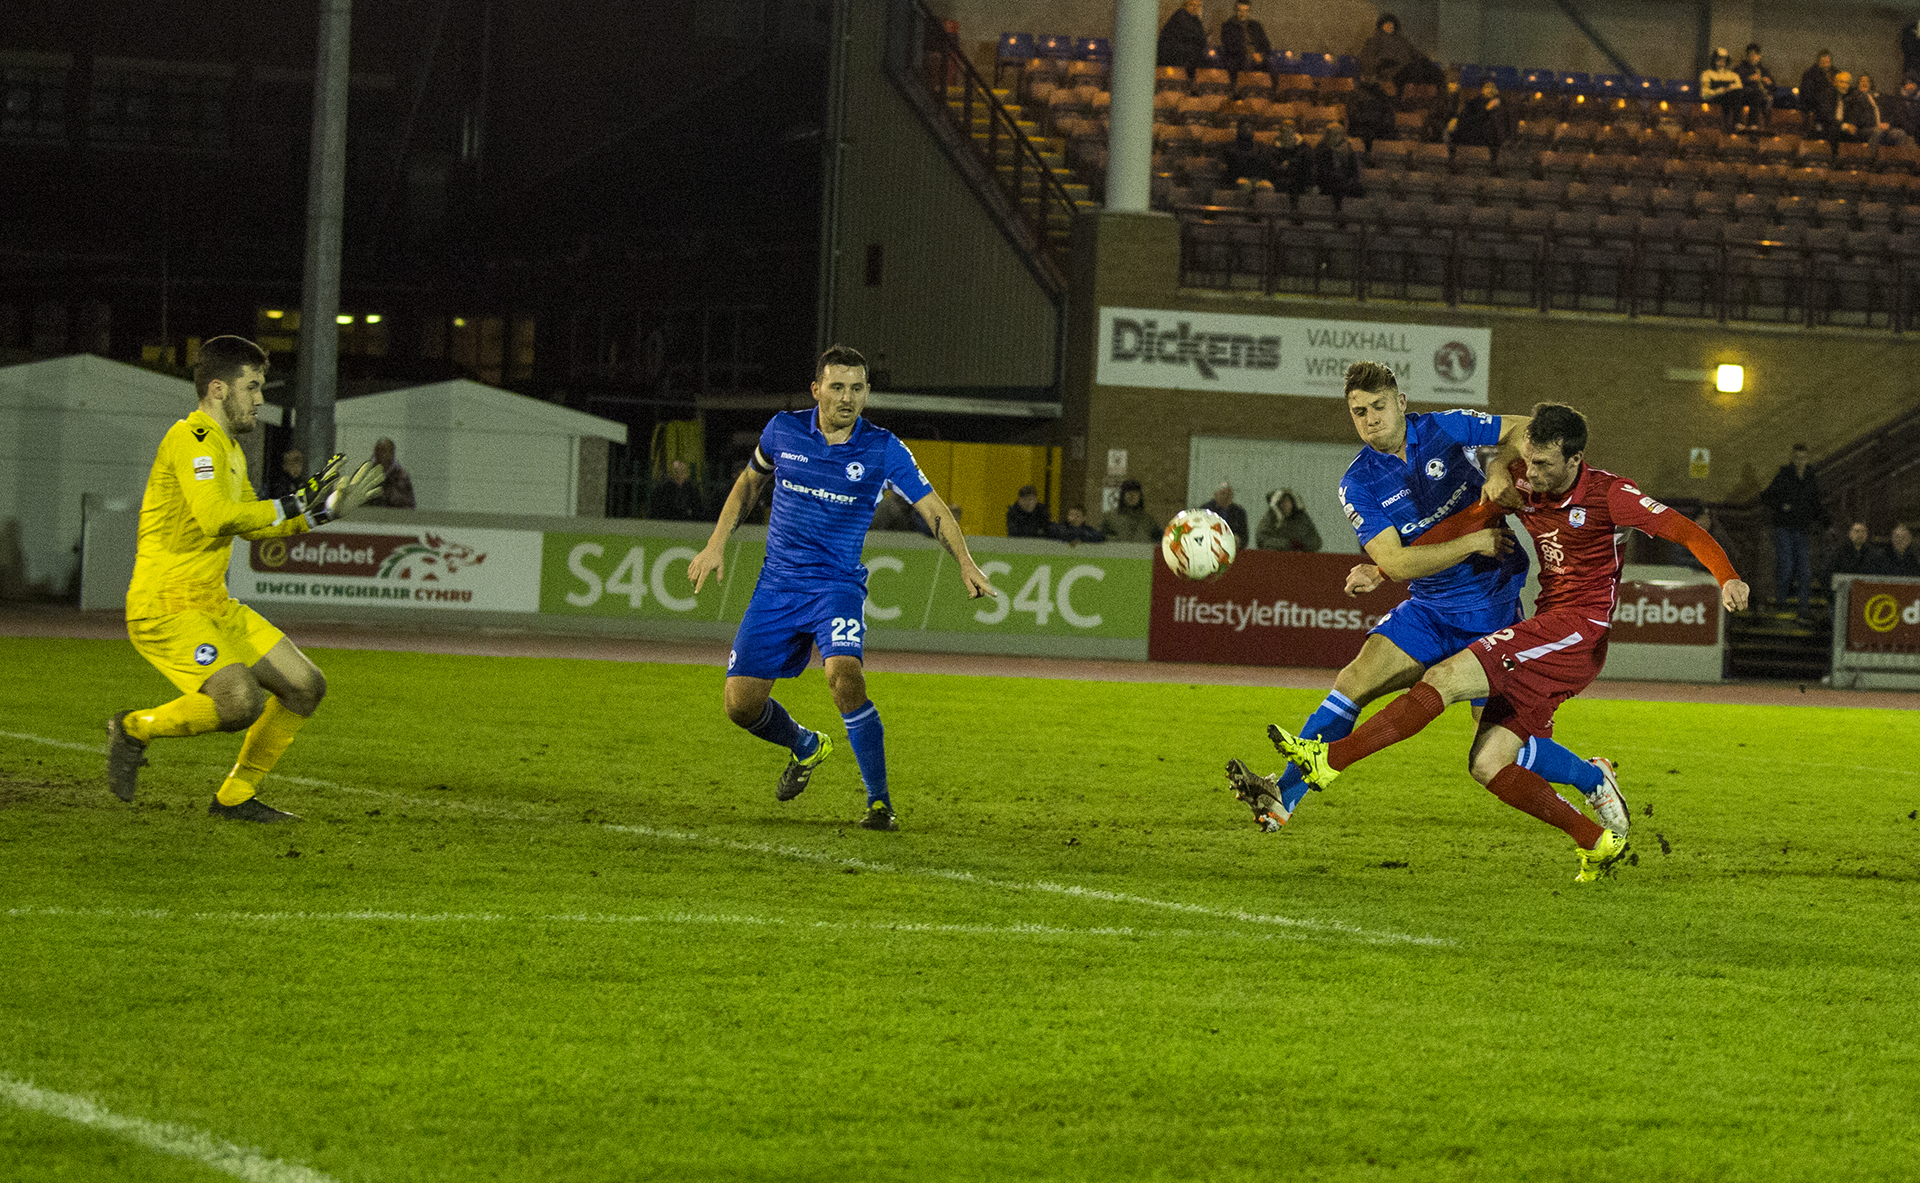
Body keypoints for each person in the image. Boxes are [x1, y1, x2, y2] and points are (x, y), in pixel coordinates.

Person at [1272, 402, 1750, 883]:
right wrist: (1381, 567)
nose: (1532, 474)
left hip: (1578, 630)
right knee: (1489, 762)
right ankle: (1597, 840)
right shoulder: (1522, 478)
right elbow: (1468, 521)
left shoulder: (1611, 495)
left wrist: (1726, 577)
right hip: (1547, 626)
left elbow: (1682, 529)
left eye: (1544, 465)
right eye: (1529, 461)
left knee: (1445, 677)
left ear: (1575, 460)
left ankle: (1329, 760)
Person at [1223, 363, 1620, 838]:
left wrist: (1495, 467)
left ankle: (1594, 778)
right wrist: (1468, 544)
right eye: (1358, 412)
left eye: (1378, 407)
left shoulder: (1444, 428)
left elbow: (1524, 429)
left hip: (1491, 610)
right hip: (1429, 609)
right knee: (1353, 680)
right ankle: (1284, 795)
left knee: (1498, 747)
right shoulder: (1359, 482)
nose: (1370, 419)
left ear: (1402, 403)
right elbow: (1399, 562)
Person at [686, 345, 995, 832]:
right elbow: (748, 485)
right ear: (817, 391)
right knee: (740, 706)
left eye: (856, 388)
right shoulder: (782, 430)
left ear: (867, 393)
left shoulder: (883, 447)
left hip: (836, 585)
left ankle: (879, 804)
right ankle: (806, 745)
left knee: (844, 675)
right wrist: (715, 544)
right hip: (778, 587)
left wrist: (966, 563)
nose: (847, 397)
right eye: (837, 387)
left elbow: (931, 506)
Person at [104, 336, 385, 822]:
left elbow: (253, 525)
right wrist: (296, 502)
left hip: (211, 602)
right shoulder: (189, 439)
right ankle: (133, 727)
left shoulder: (229, 449)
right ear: (217, 389)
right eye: (252, 387)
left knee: (305, 685)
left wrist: (323, 513)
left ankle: (234, 797)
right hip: (165, 606)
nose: (260, 399)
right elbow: (215, 518)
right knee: (239, 703)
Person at [1761, 442, 1826, 614]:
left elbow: (1816, 501)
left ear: (1807, 459)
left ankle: (1803, 607)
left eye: (1803, 458)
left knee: (1805, 570)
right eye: (1797, 458)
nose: (1799, 461)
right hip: (1785, 527)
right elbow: (1768, 496)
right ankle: (1782, 603)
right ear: (1793, 458)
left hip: (1802, 528)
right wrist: (1782, 506)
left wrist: (1823, 521)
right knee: (1787, 567)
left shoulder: (1811, 477)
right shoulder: (1784, 475)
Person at [1220, 0, 1275, 92]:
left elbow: (1266, 44)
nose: (1243, 14)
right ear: (1235, 10)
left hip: (1256, 56)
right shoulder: (1228, 26)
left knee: (1272, 64)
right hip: (1237, 57)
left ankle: (1273, 94)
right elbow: (1228, 46)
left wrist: (1261, 55)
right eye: (1240, 11)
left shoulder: (1255, 25)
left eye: (1245, 11)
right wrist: (1248, 53)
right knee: (1239, 65)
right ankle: (1240, 94)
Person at [1447, 77, 1506, 160]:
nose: (1490, 90)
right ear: (1481, 90)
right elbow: (1471, 119)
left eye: (1492, 87)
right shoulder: (1473, 103)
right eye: (1487, 87)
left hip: (1484, 137)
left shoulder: (1499, 104)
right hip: (1472, 135)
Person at [1310, 120, 1365, 205]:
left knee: (1359, 189)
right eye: (1334, 134)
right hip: (1327, 182)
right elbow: (1321, 170)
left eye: (1339, 134)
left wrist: (1350, 178)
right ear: (1328, 136)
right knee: (1337, 188)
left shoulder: (1348, 148)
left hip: (1343, 180)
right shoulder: (1321, 149)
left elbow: (1354, 169)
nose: (1336, 137)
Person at [1358, 13, 1418, 87]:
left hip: (1404, 72)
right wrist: (1378, 67)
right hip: (1383, 73)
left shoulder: (1402, 41)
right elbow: (1367, 58)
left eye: (1391, 24)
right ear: (1381, 26)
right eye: (1387, 24)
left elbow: (1414, 53)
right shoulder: (1374, 40)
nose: (1389, 26)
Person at [1255, 488, 1321, 551]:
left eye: (1288, 501)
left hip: (1301, 558)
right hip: (1276, 557)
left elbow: (1316, 541)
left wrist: (1303, 545)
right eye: (1282, 502)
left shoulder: (1302, 519)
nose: (1286, 504)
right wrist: (1288, 544)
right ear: (1277, 504)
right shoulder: (1270, 519)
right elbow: (1262, 540)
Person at [1346, 74, 1399, 153]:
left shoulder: (1382, 94)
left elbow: (1389, 115)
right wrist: (1374, 119)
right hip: (1361, 131)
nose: (1371, 78)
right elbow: (1353, 115)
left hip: (1379, 132)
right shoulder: (1356, 94)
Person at [1157, 0, 1208, 80]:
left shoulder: (1196, 20)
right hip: (1176, 59)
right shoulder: (1179, 17)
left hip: (1189, 57)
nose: (1195, 8)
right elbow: (1182, 40)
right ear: (1185, 5)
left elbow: (1201, 39)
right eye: (1192, 5)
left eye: (1198, 6)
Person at [1851, 74, 1908, 145]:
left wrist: (1888, 124)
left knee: (1900, 134)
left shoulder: (1879, 97)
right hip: (1866, 129)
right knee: (1878, 132)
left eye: (1867, 81)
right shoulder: (1854, 98)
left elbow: (1888, 113)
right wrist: (1876, 124)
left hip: (1882, 128)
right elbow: (1857, 118)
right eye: (1862, 81)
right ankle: (1871, 155)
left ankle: (1898, 156)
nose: (1864, 83)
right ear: (1858, 84)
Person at [1701, 48, 1743, 133]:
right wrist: (1719, 91)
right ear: (1714, 60)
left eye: (1724, 59)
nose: (1722, 62)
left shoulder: (1733, 75)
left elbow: (1739, 89)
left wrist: (1731, 88)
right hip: (1714, 100)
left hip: (1731, 100)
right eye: (1719, 59)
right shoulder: (1707, 74)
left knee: (1736, 94)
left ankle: (1737, 124)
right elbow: (1704, 94)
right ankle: (1732, 125)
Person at [1734, 44, 1775, 132]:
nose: (1754, 57)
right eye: (1752, 55)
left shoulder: (1763, 70)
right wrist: (1750, 79)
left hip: (1761, 95)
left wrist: (1769, 82)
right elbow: (1737, 82)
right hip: (1745, 94)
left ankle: (1765, 127)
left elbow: (1773, 85)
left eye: (1756, 55)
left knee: (1765, 97)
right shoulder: (1740, 68)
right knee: (1755, 94)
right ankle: (1750, 123)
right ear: (1747, 56)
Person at [367, 437, 415, 509]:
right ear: (375, 452)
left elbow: (408, 506)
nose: (385, 454)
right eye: (381, 450)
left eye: (389, 451)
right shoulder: (364, 473)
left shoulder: (401, 476)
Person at [1201, 481, 1250, 549]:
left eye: (1229, 494)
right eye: (1223, 493)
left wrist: (1238, 540)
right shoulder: (1205, 510)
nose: (1226, 497)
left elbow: (1244, 538)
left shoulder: (1239, 512)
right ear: (1216, 494)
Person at [1801, 51, 1837, 136]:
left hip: (1833, 106)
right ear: (1819, 61)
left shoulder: (1835, 72)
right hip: (1816, 107)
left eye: (1828, 62)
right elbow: (1807, 94)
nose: (1826, 64)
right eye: (1823, 62)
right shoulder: (1810, 74)